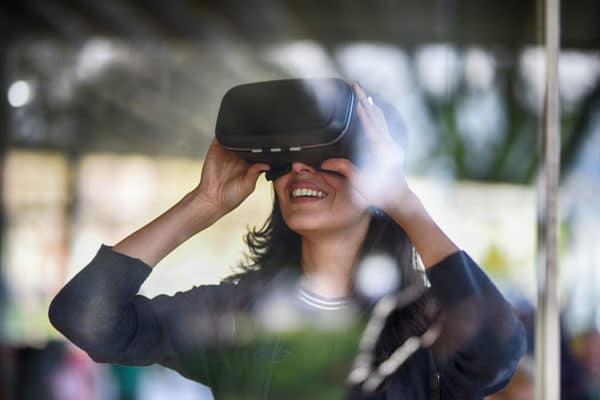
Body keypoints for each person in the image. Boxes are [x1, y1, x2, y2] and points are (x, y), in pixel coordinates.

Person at [49, 82, 525, 399]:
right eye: (287, 155)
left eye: (329, 154)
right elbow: (87, 319)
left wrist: (403, 200)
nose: (300, 167)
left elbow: (498, 353)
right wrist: (204, 202)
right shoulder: (235, 317)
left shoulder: (427, 330)